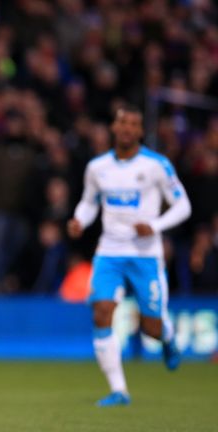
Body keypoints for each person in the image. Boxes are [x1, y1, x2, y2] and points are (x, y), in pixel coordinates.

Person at [67, 105, 192, 407]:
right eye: (122, 122)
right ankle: (119, 390)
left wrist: (155, 225)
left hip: (145, 255)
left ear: (140, 131)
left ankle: (167, 335)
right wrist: (79, 220)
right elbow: (89, 202)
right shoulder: (97, 167)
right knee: (101, 311)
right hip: (109, 251)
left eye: (133, 124)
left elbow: (183, 205)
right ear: (114, 126)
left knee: (151, 328)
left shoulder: (156, 165)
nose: (127, 128)